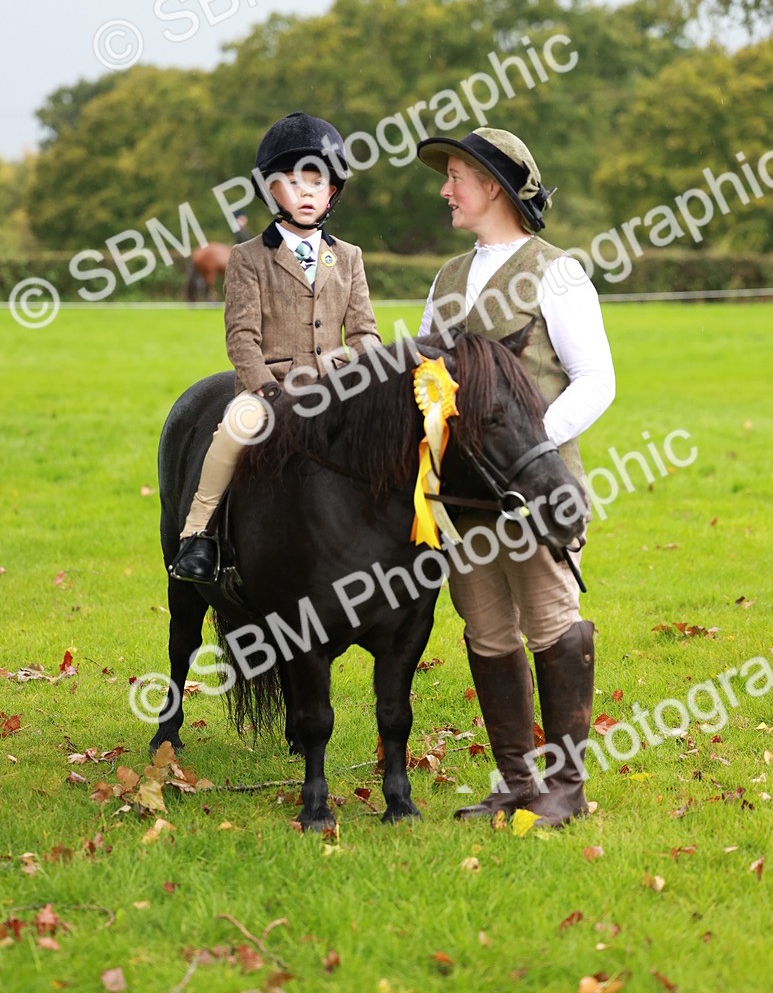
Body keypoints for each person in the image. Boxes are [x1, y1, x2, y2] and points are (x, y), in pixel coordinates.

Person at [416, 127, 616, 827]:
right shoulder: (444, 280)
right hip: (463, 499)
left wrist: (527, 446)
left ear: (493, 186)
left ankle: (566, 789)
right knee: (487, 628)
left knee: (551, 622)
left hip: (537, 492)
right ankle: (514, 781)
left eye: (457, 177)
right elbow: (424, 384)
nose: (446, 190)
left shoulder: (555, 271)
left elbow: (596, 381)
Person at [170, 111, 381, 583]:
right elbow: (241, 338)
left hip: (336, 382)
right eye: (291, 181)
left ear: (333, 192)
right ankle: (197, 535)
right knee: (233, 430)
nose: (305, 192)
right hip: (272, 389)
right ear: (270, 192)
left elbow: (365, 331)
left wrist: (361, 368)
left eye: (316, 181)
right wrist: (266, 390)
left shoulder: (349, 257)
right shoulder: (247, 258)